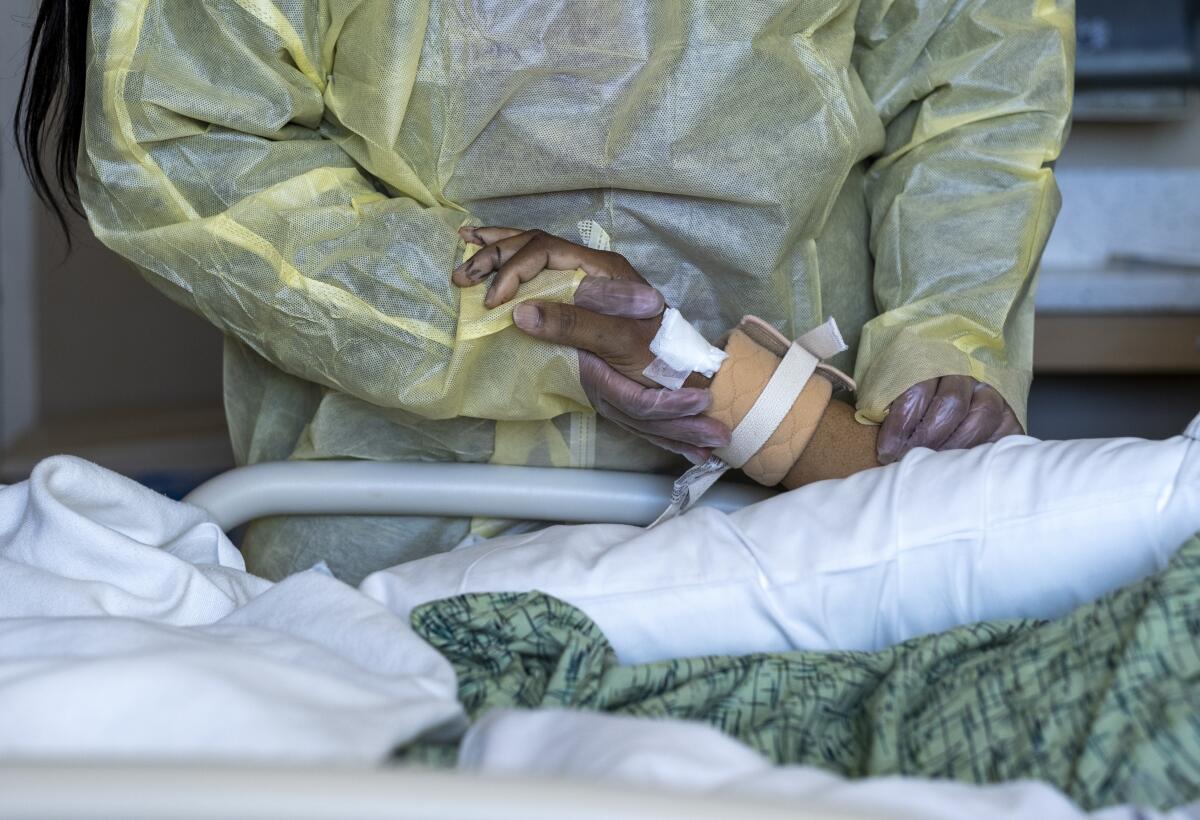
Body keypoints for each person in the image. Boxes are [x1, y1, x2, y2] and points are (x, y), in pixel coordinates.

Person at [17, 0, 1074, 583]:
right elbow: (178, 139)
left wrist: (947, 343)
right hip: (386, 529)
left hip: (813, 507)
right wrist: (540, 319)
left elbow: (976, 96)